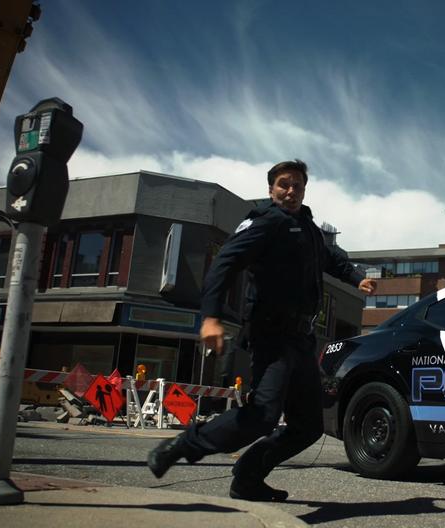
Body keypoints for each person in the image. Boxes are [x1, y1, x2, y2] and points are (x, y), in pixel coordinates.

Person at [147, 159, 376, 501]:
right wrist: (209, 317)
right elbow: (225, 262)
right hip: (272, 334)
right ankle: (185, 444)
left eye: (298, 185)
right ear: (271, 189)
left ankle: (248, 478)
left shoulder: (309, 230)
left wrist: (358, 277)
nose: (291, 191)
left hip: (302, 340)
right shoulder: (265, 221)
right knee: (263, 416)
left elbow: (332, 259)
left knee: (309, 427)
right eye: (284, 184)